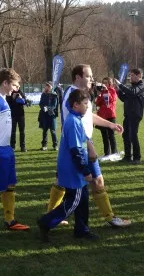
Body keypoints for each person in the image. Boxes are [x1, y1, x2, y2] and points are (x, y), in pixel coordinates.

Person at [47, 64, 131, 228]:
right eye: (88, 76)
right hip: (79, 146)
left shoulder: (80, 95)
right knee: (93, 181)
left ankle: (51, 216)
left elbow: (89, 116)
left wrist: (110, 125)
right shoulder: (71, 96)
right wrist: (89, 145)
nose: (92, 79)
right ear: (78, 77)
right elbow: (73, 124)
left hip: (80, 145)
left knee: (65, 180)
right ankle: (109, 218)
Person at [37, 89, 97, 242]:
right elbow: (76, 149)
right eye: (85, 103)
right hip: (73, 169)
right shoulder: (73, 122)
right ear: (76, 105)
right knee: (73, 201)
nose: (87, 106)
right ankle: (46, 222)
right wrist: (85, 170)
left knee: (83, 200)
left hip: (75, 167)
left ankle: (82, 230)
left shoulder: (75, 119)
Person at [0, 68, 29, 231]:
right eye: (14, 85)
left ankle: (10, 220)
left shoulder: (2, 98)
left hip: (6, 148)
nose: (16, 88)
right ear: (5, 83)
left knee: (10, 184)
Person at [115, 68, 144, 164]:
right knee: (125, 136)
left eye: (132, 75)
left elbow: (133, 92)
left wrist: (121, 85)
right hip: (128, 115)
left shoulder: (142, 86)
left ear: (139, 76)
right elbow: (124, 98)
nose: (130, 78)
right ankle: (127, 156)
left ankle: (137, 158)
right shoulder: (132, 87)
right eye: (130, 75)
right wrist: (118, 90)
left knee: (133, 136)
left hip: (135, 115)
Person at [95, 77, 120, 161]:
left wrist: (106, 91)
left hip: (110, 115)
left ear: (110, 83)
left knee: (111, 135)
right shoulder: (102, 91)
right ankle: (107, 153)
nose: (104, 84)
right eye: (103, 83)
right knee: (104, 135)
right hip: (102, 116)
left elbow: (111, 100)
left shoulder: (112, 91)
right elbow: (97, 103)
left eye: (106, 83)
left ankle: (114, 152)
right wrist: (99, 94)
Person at [38, 82, 58, 151]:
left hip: (51, 115)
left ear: (51, 87)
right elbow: (40, 103)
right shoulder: (43, 94)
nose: (46, 87)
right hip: (44, 115)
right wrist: (43, 108)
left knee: (53, 131)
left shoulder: (54, 94)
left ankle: (55, 145)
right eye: (46, 86)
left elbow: (54, 105)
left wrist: (48, 108)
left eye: (48, 86)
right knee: (45, 130)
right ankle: (44, 145)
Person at [7, 86, 27, 152]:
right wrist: (13, 98)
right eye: (15, 87)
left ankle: (23, 147)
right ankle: (12, 146)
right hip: (13, 115)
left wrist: (21, 98)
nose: (17, 88)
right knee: (13, 131)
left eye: (18, 87)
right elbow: (8, 105)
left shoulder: (21, 93)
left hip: (21, 115)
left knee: (22, 131)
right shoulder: (10, 93)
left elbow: (26, 102)